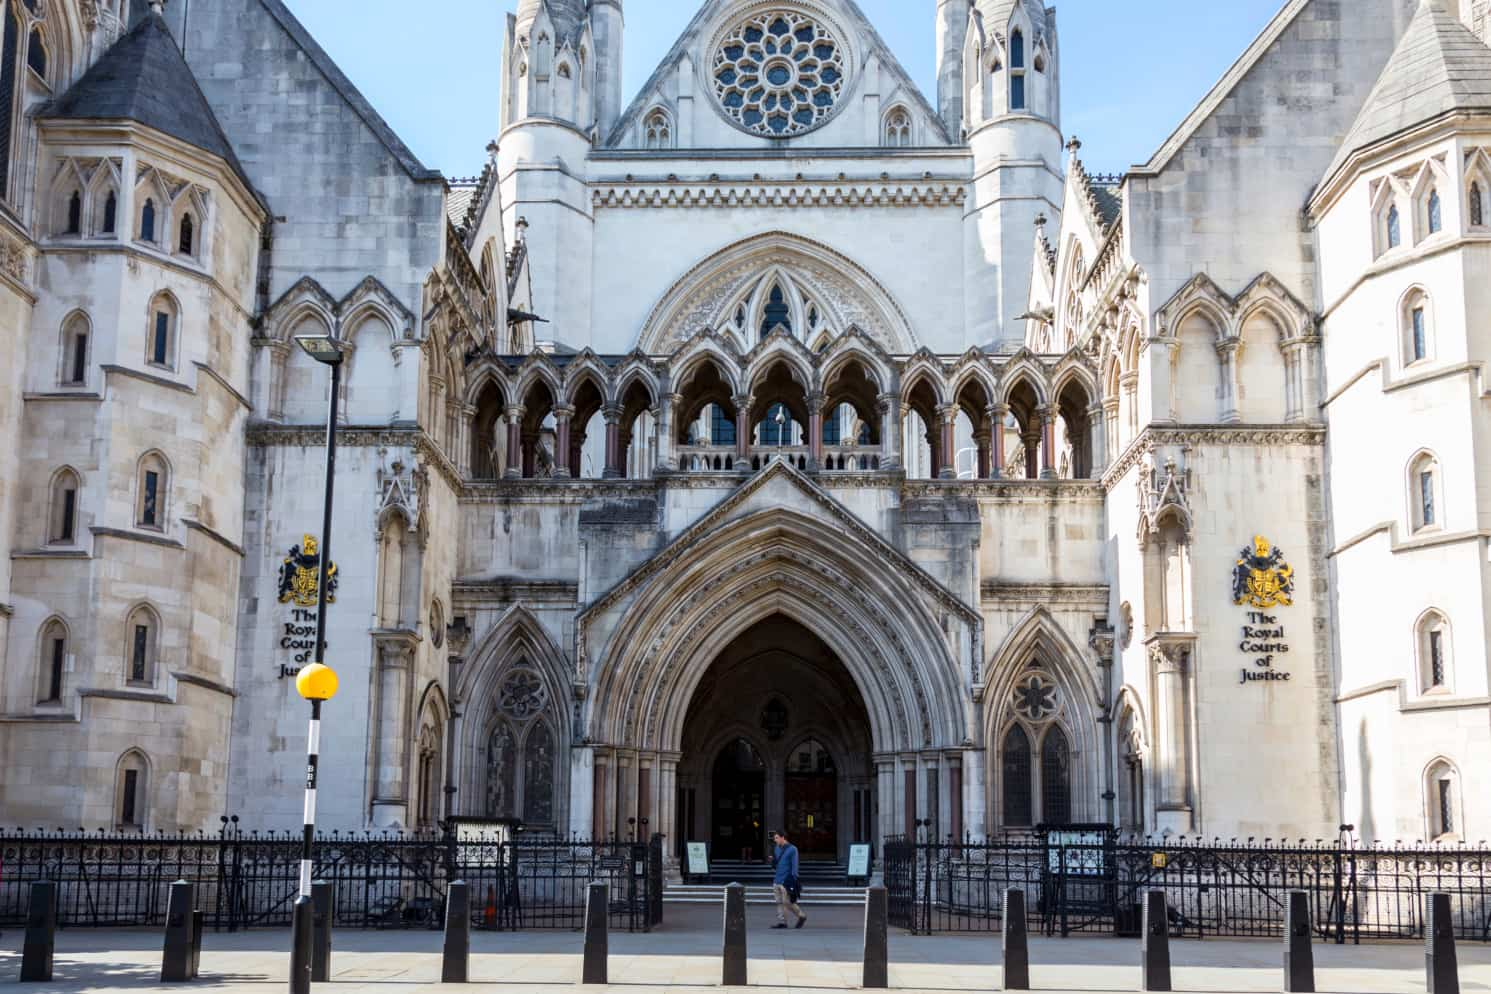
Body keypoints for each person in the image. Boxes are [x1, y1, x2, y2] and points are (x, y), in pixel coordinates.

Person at [770, 829, 806, 929]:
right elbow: (776, 863)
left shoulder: (792, 849)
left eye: (777, 838)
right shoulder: (777, 848)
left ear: (783, 837)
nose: (775, 840)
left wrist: (793, 880)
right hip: (777, 878)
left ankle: (801, 915)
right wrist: (772, 861)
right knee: (779, 902)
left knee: (787, 903)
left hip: (786, 880)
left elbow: (794, 866)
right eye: (774, 838)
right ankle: (782, 922)